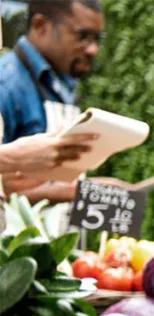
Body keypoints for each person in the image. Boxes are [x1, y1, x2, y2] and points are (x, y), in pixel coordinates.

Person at [0, 0, 107, 218]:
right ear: (40, 26)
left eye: (97, 39)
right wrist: (67, 193)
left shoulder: (63, 85)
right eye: (82, 35)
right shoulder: (7, 85)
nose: (93, 49)